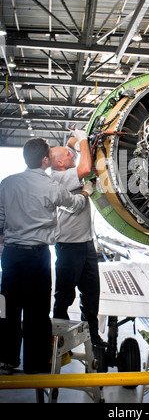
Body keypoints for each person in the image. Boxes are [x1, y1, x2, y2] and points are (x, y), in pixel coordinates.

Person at [0, 138, 94, 375]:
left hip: (11, 256)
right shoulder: (51, 186)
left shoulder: (7, 183)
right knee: (37, 313)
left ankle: (8, 360)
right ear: (44, 160)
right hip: (37, 256)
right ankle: (35, 365)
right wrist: (85, 192)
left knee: (9, 309)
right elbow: (74, 205)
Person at [50, 129, 105, 356]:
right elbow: (85, 167)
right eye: (69, 155)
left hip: (86, 244)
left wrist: (76, 140)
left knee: (91, 295)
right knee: (64, 297)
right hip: (68, 246)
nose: (74, 155)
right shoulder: (58, 177)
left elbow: (73, 149)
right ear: (60, 163)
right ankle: (59, 341)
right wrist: (82, 139)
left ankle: (92, 336)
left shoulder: (67, 168)